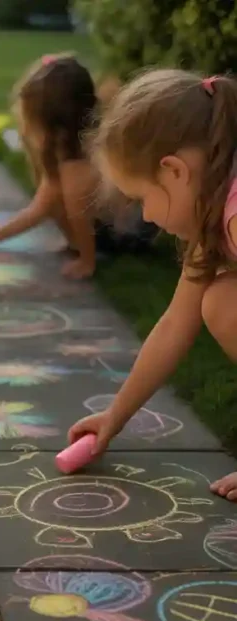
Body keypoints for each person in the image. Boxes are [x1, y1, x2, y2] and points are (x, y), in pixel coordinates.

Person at [68, 68, 237, 501]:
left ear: (174, 171)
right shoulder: (215, 212)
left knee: (223, 304)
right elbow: (175, 325)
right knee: (217, 300)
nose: (144, 217)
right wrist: (115, 416)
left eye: (142, 197)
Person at [0, 54, 155, 278]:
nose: (26, 128)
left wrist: (86, 262)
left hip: (129, 233)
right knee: (53, 199)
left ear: (55, 130)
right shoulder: (67, 153)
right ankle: (78, 245)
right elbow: (38, 209)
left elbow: (79, 217)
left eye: (30, 122)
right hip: (112, 223)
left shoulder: (77, 168)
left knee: (60, 201)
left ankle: (85, 251)